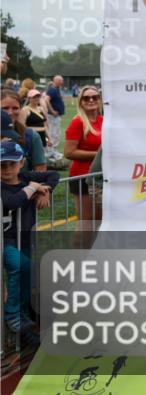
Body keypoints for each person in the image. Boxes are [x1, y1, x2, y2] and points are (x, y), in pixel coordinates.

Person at [2, 141, 59, 344]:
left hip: (24, 237)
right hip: (5, 241)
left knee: (29, 273)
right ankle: (12, 314)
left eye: (12, 164)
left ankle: (23, 315)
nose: (7, 169)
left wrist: (46, 191)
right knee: (22, 266)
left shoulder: (25, 176)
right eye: (2, 165)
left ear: (21, 163)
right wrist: (33, 188)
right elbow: (11, 202)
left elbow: (53, 175)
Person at [64, 85, 103, 225]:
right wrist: (99, 156)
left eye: (95, 97)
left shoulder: (103, 120)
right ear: (80, 102)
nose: (91, 100)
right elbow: (69, 152)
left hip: (100, 177)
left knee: (99, 220)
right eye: (86, 98)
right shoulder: (78, 122)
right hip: (82, 177)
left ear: (100, 100)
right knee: (86, 221)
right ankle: (80, 248)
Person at [1, 93, 45, 173]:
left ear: (21, 109)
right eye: (5, 108)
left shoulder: (31, 136)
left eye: (15, 108)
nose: (10, 112)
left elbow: (40, 171)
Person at [45, 75, 65, 154]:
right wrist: (52, 110)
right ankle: (51, 152)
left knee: (56, 133)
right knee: (53, 133)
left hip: (55, 116)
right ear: (56, 81)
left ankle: (53, 151)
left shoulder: (56, 89)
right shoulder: (53, 90)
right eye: (61, 81)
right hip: (53, 116)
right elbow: (46, 100)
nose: (62, 82)